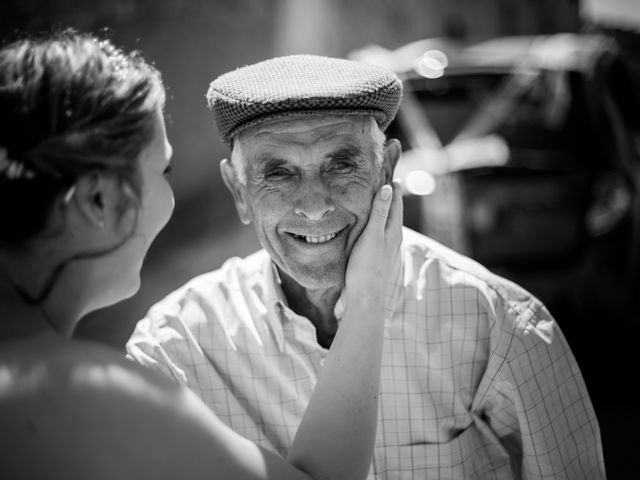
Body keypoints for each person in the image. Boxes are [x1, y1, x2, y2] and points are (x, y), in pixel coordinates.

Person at [127, 54, 607, 479]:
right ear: (238, 191)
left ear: (388, 169)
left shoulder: (498, 325)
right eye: (279, 172)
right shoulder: (180, 349)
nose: (314, 206)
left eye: (341, 165)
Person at [0, 31, 404, 480]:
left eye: (342, 164)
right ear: (98, 200)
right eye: (163, 170)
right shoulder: (92, 395)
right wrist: (366, 298)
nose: (313, 205)